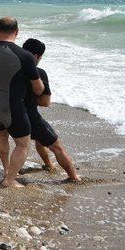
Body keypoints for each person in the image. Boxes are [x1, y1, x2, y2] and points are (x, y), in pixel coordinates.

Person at [0, 17, 45, 188]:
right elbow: (38, 89)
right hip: (10, 106)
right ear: (17, 32)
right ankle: (10, 180)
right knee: (22, 143)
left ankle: (6, 170)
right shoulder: (24, 55)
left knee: (2, 134)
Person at [22, 38, 81, 182]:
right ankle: (74, 177)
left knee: (39, 139)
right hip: (29, 114)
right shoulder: (39, 73)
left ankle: (48, 164)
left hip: (10, 113)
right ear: (36, 56)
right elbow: (45, 102)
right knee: (57, 146)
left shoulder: (13, 68)